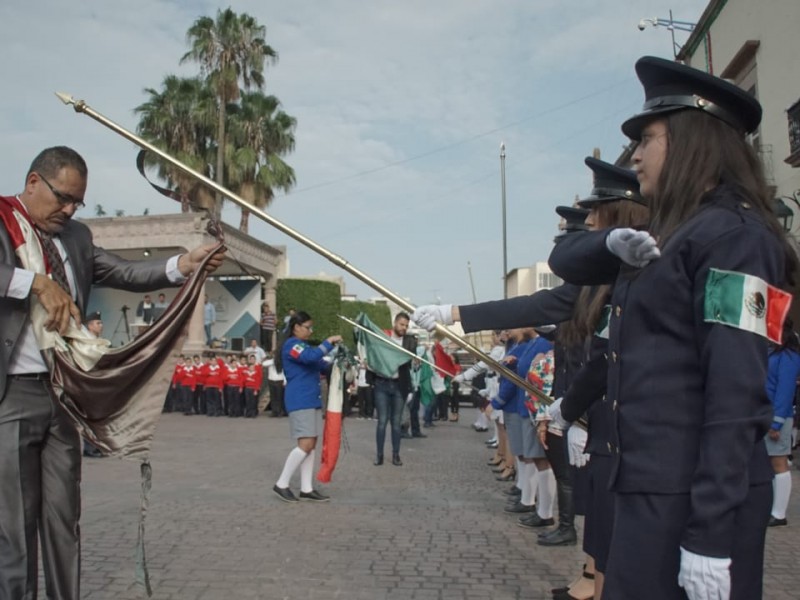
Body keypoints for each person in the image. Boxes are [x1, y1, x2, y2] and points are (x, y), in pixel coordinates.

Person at [547, 56, 797, 600]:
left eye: (648, 138)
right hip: (650, 486)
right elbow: (566, 260)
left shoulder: (737, 238)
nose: (635, 154)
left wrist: (710, 532)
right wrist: (610, 242)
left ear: (691, 142)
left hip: (693, 498)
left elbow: (735, 391)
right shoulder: (673, 233)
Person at [0, 145, 225, 599]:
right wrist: (37, 283)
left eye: (77, 203)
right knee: (14, 528)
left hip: (65, 394)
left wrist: (181, 266)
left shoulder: (76, 237)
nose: (69, 209)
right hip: (13, 396)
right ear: (32, 183)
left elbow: (122, 271)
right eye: (62, 197)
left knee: (65, 518)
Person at [273, 310, 341, 502]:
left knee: (310, 445)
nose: (310, 331)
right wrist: (328, 342)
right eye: (308, 327)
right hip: (300, 399)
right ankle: (282, 483)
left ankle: (306, 488)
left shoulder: (301, 346)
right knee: (305, 444)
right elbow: (312, 358)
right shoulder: (292, 346)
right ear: (296, 327)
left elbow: (320, 364)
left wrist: (339, 362)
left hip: (310, 399)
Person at [368, 312, 417, 466]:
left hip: (399, 385)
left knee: (396, 422)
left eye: (406, 326)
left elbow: (413, 361)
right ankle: (380, 455)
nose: (404, 328)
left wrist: (415, 362)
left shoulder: (409, 341)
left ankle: (396, 455)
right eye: (402, 324)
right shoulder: (383, 337)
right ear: (395, 323)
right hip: (382, 384)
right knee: (382, 421)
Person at [765, 319, 800, 527]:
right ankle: (773, 509)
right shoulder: (774, 353)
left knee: (779, 464)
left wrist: (776, 423)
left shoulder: (788, 356)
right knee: (772, 464)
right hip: (769, 414)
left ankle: (779, 513)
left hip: (778, 416)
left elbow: (785, 391)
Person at [81, 310, 105, 457]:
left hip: (99, 384)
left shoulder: (99, 342)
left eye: (101, 323)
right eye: (98, 323)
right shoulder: (86, 342)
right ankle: (89, 448)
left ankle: (97, 446)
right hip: (89, 384)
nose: (101, 326)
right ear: (89, 326)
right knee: (90, 417)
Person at [263, 351, 287, 417]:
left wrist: (285, 381)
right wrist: (273, 361)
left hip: (279, 380)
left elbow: (284, 372)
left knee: (279, 397)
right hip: (271, 380)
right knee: (273, 397)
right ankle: (274, 412)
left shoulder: (282, 362)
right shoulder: (271, 362)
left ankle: (280, 411)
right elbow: (264, 364)